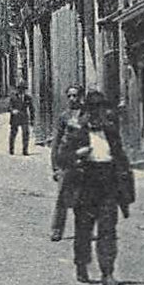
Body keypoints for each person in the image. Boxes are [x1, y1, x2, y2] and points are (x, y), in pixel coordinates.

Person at [58, 89, 134, 285]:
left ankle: (107, 272)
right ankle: (82, 264)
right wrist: (77, 154)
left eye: (101, 110)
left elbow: (121, 158)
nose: (98, 115)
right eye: (94, 110)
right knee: (83, 230)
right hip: (85, 187)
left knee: (108, 230)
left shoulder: (110, 132)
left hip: (108, 186)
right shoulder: (77, 132)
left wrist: (124, 188)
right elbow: (62, 157)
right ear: (88, 112)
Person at [49, 85, 86, 241]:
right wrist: (55, 167)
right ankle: (57, 230)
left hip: (83, 163)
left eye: (75, 95)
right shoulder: (63, 117)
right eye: (69, 96)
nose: (72, 99)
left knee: (82, 199)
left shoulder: (88, 116)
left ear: (81, 96)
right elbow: (56, 143)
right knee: (61, 198)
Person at [8, 82, 35, 156]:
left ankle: (25, 150)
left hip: (24, 118)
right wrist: (12, 110)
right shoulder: (13, 97)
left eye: (23, 89)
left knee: (26, 133)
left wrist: (32, 119)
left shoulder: (28, 98)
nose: (21, 91)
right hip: (15, 118)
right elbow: (9, 107)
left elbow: (32, 109)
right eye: (20, 89)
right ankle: (11, 149)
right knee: (13, 134)